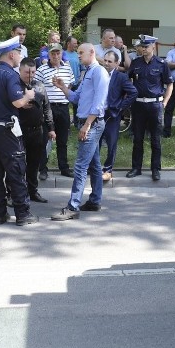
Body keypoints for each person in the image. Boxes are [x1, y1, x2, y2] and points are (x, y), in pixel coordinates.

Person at [0, 36, 37, 226]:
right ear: (12, 54)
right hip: (7, 130)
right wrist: (28, 96)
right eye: (19, 53)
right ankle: (23, 214)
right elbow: (18, 102)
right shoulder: (10, 75)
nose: (20, 56)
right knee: (16, 170)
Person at [51, 44, 110, 220]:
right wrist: (63, 87)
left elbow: (99, 104)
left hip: (92, 123)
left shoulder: (99, 72)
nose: (78, 56)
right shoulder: (87, 72)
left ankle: (73, 206)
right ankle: (94, 201)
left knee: (80, 166)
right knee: (94, 165)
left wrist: (87, 125)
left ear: (92, 53)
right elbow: (76, 97)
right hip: (88, 122)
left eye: (80, 53)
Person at [127, 35, 173, 181]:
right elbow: (128, 79)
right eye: (142, 47)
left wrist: (164, 102)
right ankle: (136, 168)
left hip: (155, 105)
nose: (144, 49)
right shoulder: (135, 63)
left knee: (155, 139)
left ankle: (155, 169)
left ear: (153, 46)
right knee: (138, 138)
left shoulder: (161, 64)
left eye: (146, 47)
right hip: (139, 105)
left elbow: (169, 84)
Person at [16, 58, 55, 202]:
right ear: (20, 70)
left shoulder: (39, 86)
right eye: (27, 72)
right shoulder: (14, 86)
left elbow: (47, 108)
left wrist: (51, 128)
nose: (30, 75)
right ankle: (15, 194)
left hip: (38, 131)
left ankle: (33, 191)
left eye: (33, 72)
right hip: (19, 131)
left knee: (34, 163)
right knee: (18, 164)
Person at [36, 43, 75, 179]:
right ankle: (43, 169)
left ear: (61, 53)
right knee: (45, 139)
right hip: (48, 108)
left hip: (63, 107)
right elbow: (36, 87)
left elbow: (70, 85)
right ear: (49, 54)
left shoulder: (67, 68)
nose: (56, 56)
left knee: (62, 140)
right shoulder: (42, 69)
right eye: (53, 53)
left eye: (58, 53)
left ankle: (63, 167)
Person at [100, 50, 138, 182]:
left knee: (111, 143)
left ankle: (108, 169)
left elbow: (133, 92)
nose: (106, 63)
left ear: (116, 64)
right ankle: (94, 167)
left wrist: (120, 106)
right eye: (105, 60)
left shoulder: (121, 77)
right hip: (97, 114)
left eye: (109, 61)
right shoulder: (98, 73)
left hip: (112, 115)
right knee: (95, 142)